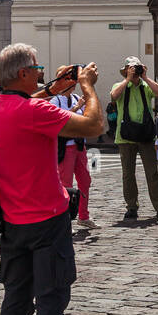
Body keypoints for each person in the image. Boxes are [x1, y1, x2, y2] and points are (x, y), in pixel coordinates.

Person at [0, 45, 105, 315]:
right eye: (37, 69)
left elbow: (18, 106)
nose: (41, 73)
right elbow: (94, 124)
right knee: (51, 299)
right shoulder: (36, 111)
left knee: (16, 301)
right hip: (48, 220)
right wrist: (86, 87)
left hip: (12, 222)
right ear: (23, 73)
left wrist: (51, 89)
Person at [110, 56, 158, 221]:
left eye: (136, 68)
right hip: (125, 137)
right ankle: (131, 206)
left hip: (145, 136)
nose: (134, 71)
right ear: (126, 69)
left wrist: (145, 77)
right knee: (128, 174)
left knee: (152, 172)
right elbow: (114, 96)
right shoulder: (120, 85)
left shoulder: (145, 86)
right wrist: (128, 79)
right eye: (131, 68)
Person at [50, 72, 95, 231]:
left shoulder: (76, 98)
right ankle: (64, 222)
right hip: (66, 147)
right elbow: (59, 120)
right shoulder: (55, 100)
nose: (73, 83)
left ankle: (83, 216)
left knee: (85, 180)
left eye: (73, 80)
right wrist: (76, 108)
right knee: (66, 184)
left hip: (79, 145)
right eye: (69, 80)